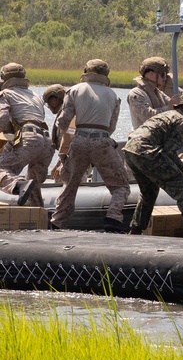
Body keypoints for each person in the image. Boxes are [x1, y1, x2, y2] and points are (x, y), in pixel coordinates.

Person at [50, 59, 131, 233]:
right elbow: (111, 127)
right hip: (102, 141)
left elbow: (63, 122)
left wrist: (64, 146)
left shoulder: (74, 90)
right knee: (121, 186)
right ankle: (113, 218)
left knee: (70, 184)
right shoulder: (114, 96)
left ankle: (57, 222)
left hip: (78, 141)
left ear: (86, 72)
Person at [122, 93, 183, 239]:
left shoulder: (168, 115)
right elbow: (167, 153)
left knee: (149, 191)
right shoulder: (182, 122)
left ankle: (136, 229)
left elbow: (164, 148)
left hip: (131, 150)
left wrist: (176, 159)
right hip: (146, 151)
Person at [0, 63, 51, 206]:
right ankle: (38, 218)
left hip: (29, 138)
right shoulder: (35, 95)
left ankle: (18, 185)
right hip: (46, 141)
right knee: (33, 183)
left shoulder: (6, 94)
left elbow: (2, 119)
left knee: (3, 170)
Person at [127, 56, 181, 130]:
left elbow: (173, 103)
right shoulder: (136, 94)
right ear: (151, 74)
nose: (165, 78)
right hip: (140, 139)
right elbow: (147, 116)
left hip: (156, 139)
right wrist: (169, 108)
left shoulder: (158, 93)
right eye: (162, 75)